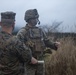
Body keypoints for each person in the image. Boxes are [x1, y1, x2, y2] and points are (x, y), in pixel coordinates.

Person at [17, 9, 60, 75]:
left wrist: (54, 45)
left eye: (37, 17)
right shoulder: (23, 32)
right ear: (29, 19)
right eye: (34, 18)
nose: (36, 19)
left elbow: (46, 41)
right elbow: (17, 46)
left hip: (40, 61)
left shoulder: (40, 30)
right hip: (29, 63)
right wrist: (29, 58)